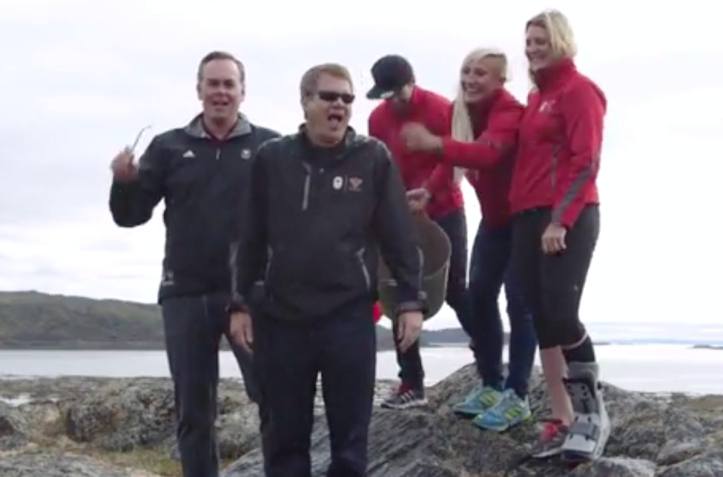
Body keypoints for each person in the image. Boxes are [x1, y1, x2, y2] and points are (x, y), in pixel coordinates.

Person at [228, 63, 426, 477]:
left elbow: (398, 235)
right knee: (285, 444)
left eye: (347, 98)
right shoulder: (272, 159)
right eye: (329, 96)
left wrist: (410, 300)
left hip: (349, 319)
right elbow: (248, 235)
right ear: (305, 102)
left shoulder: (372, 158)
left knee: (350, 448)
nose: (340, 105)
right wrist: (240, 303)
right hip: (282, 320)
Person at [108, 51, 279, 477]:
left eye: (229, 84)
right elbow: (130, 216)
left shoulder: (270, 146)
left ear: (243, 91)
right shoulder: (168, 146)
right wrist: (124, 182)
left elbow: (289, 220)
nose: (221, 92)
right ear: (199, 89)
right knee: (194, 412)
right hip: (185, 292)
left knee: (275, 399)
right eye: (213, 84)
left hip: (251, 296)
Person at [401, 48, 537, 432]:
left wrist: (431, 144)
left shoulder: (508, 112)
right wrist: (429, 191)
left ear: (500, 80)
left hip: (524, 220)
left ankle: (519, 395)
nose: (471, 79)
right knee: (477, 294)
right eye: (466, 71)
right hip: (495, 221)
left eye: (481, 73)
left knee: (519, 302)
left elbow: (488, 154)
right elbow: (454, 159)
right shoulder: (462, 112)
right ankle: (491, 383)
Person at [509, 10, 610, 461]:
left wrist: (560, 220)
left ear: (561, 40)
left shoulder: (579, 91)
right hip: (527, 218)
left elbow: (584, 160)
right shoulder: (536, 97)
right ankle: (562, 418)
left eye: (541, 39)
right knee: (542, 317)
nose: (532, 47)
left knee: (563, 315)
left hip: (567, 216)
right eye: (528, 40)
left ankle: (591, 416)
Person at [367, 54, 468, 409]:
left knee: (457, 290)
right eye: (386, 95)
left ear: (413, 81)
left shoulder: (441, 109)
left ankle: (491, 374)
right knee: (396, 293)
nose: (393, 101)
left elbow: (457, 160)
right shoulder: (378, 119)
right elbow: (379, 167)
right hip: (400, 216)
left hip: (444, 209)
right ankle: (412, 382)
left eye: (398, 93)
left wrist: (429, 191)